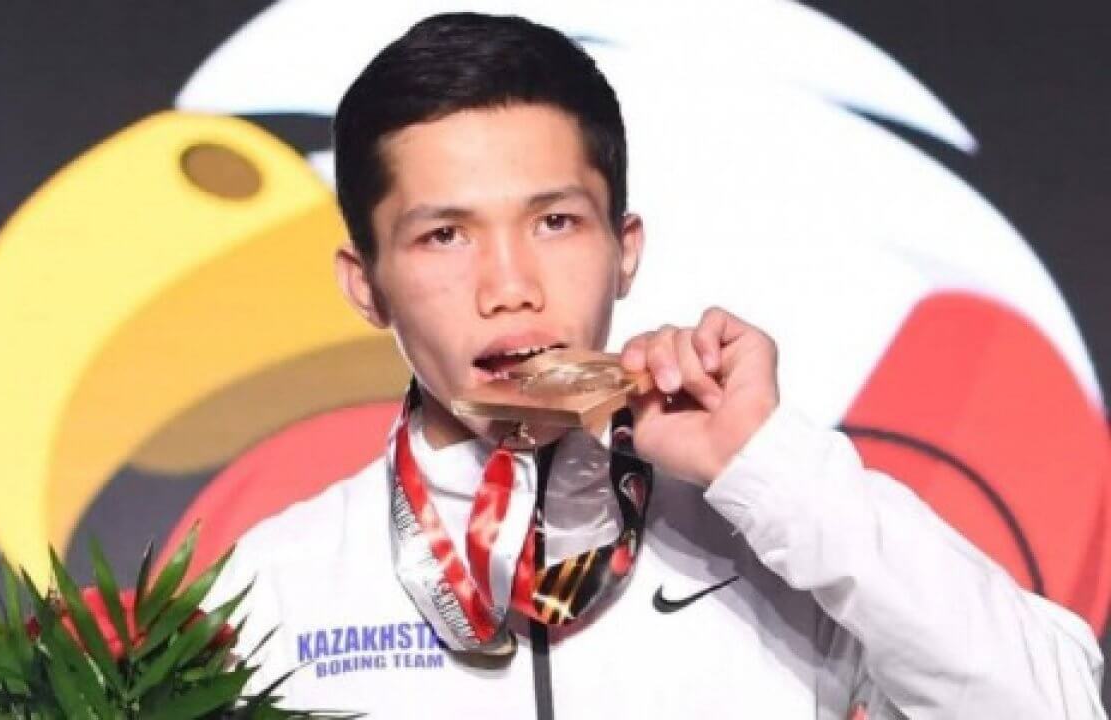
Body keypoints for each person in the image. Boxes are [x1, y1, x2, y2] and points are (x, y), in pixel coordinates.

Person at [206, 12, 1106, 718]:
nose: (509, 287)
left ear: (625, 251)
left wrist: (767, 468)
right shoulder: (275, 586)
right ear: (366, 286)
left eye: (555, 222)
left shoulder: (782, 534)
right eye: (445, 235)